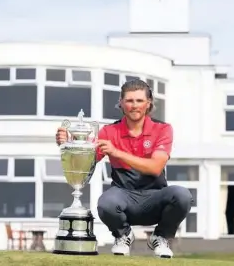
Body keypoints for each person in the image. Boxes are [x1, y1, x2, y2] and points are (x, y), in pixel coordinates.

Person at [55, 79, 193, 258]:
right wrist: (69, 145)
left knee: (183, 195)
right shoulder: (108, 132)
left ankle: (160, 237)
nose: (134, 106)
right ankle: (123, 235)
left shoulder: (163, 129)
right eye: (129, 100)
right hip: (123, 196)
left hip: (155, 197)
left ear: (148, 103)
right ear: (121, 103)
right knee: (106, 203)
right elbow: (85, 162)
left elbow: (155, 168)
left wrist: (116, 152)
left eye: (139, 101)